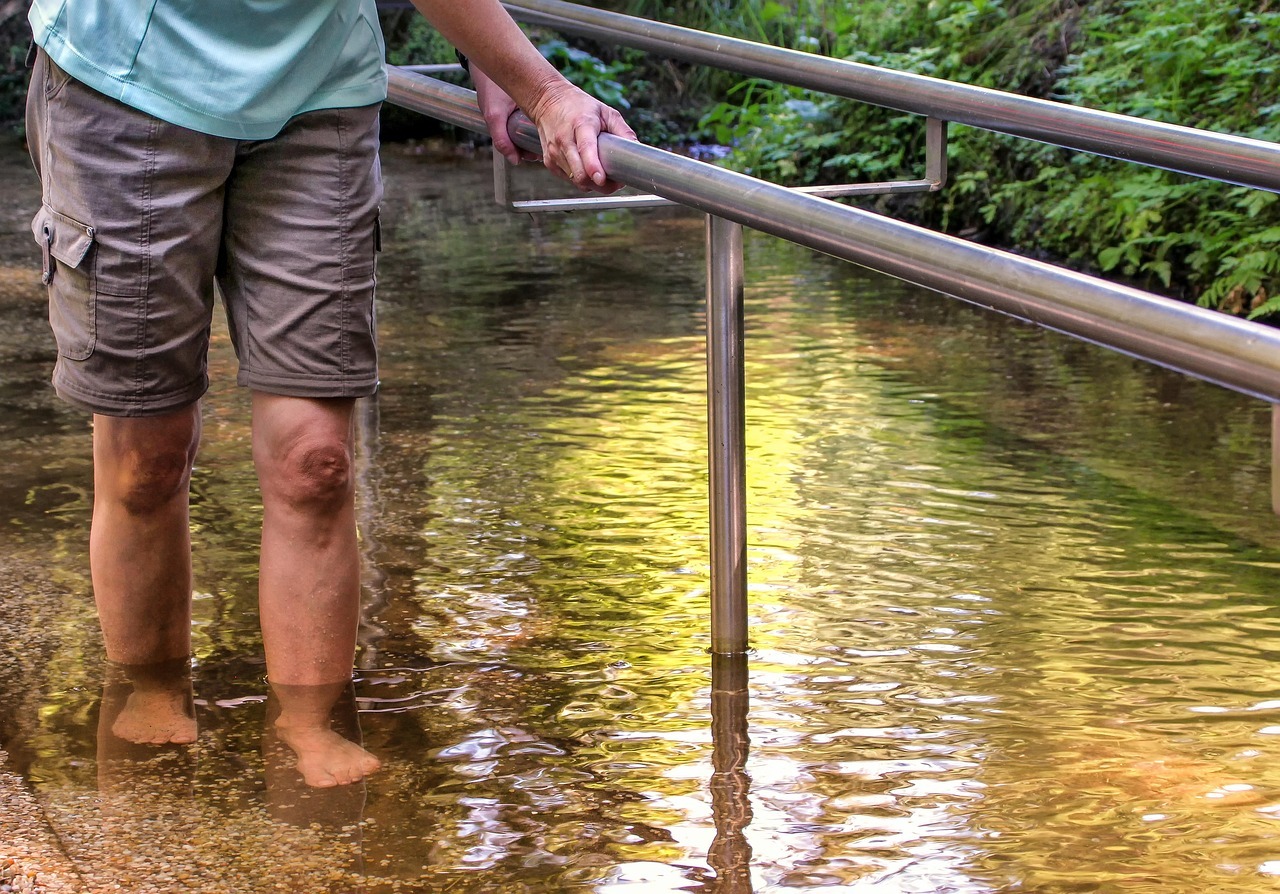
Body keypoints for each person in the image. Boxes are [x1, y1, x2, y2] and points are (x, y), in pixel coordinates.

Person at [25, 0, 636, 788]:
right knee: (147, 453)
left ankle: (310, 720)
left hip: (318, 96)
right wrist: (544, 90)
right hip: (127, 82)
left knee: (316, 463)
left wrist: (497, 64)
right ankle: (151, 689)